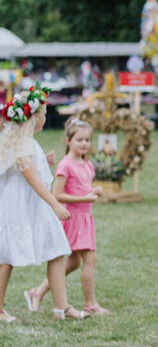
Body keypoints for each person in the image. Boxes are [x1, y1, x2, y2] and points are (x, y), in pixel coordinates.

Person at [0, 86, 88, 321]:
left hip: (34, 206)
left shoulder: (28, 142)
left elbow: (29, 171)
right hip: (22, 207)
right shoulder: (23, 143)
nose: (45, 119)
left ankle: (62, 307)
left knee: (57, 248)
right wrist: (55, 205)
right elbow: (30, 178)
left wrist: (44, 162)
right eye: (44, 115)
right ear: (34, 118)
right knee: (7, 256)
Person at [26, 117, 113, 315]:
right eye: (79, 140)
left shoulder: (86, 164)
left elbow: (83, 188)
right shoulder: (65, 165)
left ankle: (37, 292)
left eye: (87, 140)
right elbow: (57, 194)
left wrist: (93, 191)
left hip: (85, 219)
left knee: (74, 262)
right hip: (71, 219)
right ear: (68, 141)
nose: (84, 144)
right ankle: (90, 303)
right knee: (90, 259)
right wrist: (85, 197)